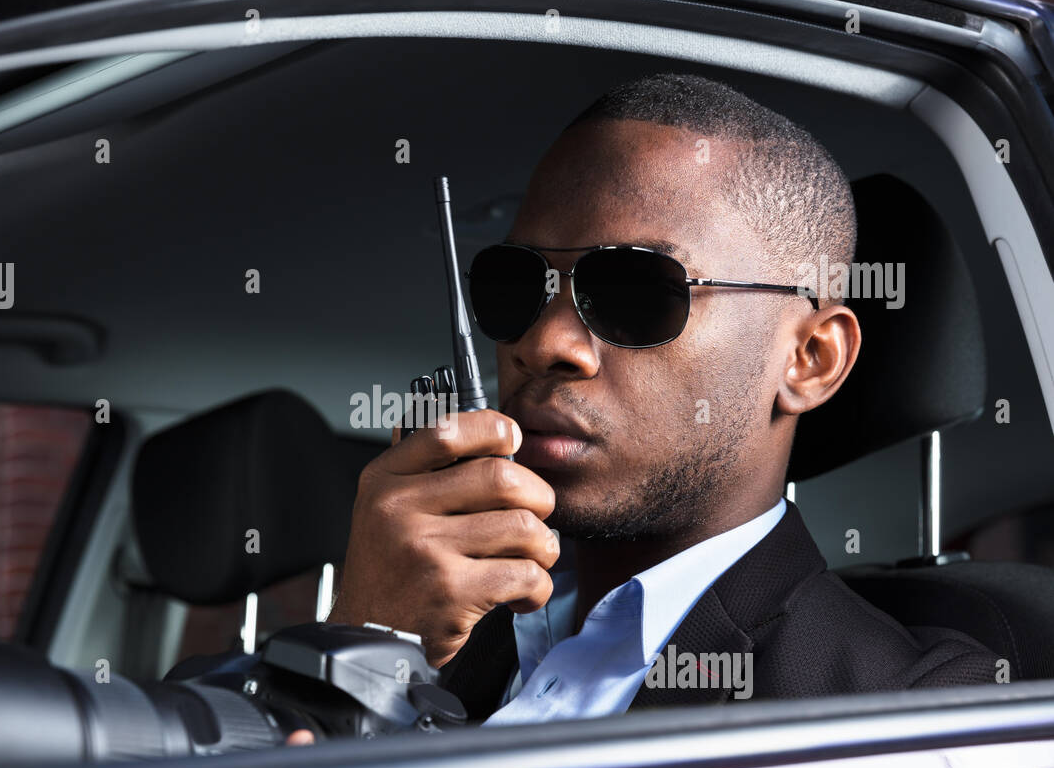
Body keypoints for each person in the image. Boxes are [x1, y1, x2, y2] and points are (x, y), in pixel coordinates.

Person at [324, 73, 1000, 727]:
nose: (547, 340)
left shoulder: (906, 718)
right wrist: (367, 654)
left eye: (635, 293)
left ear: (809, 359)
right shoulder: (439, 627)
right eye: (516, 285)